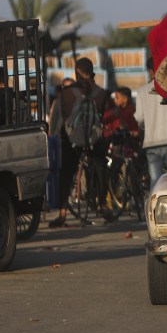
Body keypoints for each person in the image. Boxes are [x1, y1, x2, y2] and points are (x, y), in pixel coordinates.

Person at [47, 58, 108, 228]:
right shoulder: (101, 93)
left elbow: (62, 119)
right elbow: (101, 118)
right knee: (100, 165)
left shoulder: (66, 93)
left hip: (71, 140)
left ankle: (62, 213)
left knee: (65, 173)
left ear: (76, 72)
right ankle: (102, 205)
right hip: (93, 139)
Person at [135, 58, 167, 188]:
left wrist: (148, 125)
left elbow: (139, 118)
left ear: (150, 72)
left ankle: (153, 207)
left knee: (155, 181)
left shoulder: (142, 91)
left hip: (152, 143)